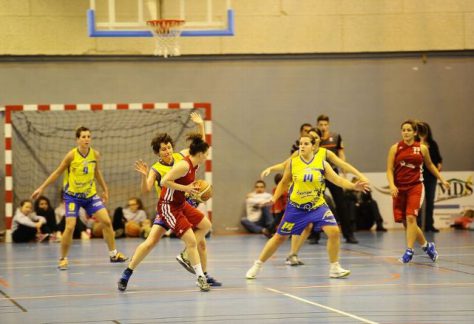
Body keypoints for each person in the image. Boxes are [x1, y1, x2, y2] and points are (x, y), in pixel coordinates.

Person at [246, 133, 370, 280]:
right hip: (296, 207)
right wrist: (274, 198)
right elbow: (284, 183)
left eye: (305, 144)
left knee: (334, 231)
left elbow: (337, 180)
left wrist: (353, 186)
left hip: (317, 205)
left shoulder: (322, 164)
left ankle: (334, 267)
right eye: (300, 144)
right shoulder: (293, 163)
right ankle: (257, 264)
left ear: (313, 146)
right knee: (280, 237)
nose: (302, 146)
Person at [118, 133, 215, 292]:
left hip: (181, 204)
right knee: (151, 243)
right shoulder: (157, 169)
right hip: (167, 208)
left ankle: (199, 269)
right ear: (158, 153)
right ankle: (127, 273)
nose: (167, 151)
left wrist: (199, 125)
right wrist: (144, 177)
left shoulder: (181, 157)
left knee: (204, 228)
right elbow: (146, 190)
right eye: (163, 149)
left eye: (169, 147)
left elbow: (199, 147)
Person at [31, 126, 128, 270]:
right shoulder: (71, 155)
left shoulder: (95, 154)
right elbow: (57, 173)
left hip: (90, 195)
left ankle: (113, 254)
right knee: (70, 226)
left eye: (88, 136)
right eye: (83, 137)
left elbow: (96, 172)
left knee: (107, 222)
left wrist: (105, 189)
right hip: (72, 197)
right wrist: (42, 188)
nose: (86, 139)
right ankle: (63, 259)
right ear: (77, 140)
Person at [386, 120, 450, 263]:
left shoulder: (422, 148)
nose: (406, 132)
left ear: (415, 132)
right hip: (399, 188)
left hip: (416, 187)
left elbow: (430, 165)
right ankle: (427, 246)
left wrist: (442, 179)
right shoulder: (395, 148)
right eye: (403, 130)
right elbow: (389, 169)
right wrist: (391, 185)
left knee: (411, 218)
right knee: (407, 224)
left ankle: (409, 250)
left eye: (409, 130)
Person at [316, 114, 358, 244]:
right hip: (318, 174)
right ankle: (314, 236)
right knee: (315, 204)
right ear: (317, 125)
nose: (323, 127)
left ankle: (348, 234)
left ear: (328, 125)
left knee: (341, 204)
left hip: (332, 172)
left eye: (325, 124)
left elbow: (341, 154)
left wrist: (344, 170)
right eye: (321, 125)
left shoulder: (336, 137)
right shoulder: (315, 139)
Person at [418, 122, 443, 232]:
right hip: (418, 177)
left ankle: (429, 225)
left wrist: (439, 164)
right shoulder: (415, 144)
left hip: (431, 177)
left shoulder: (433, 144)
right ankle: (417, 226)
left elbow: (438, 158)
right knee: (418, 202)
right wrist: (421, 141)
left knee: (430, 201)